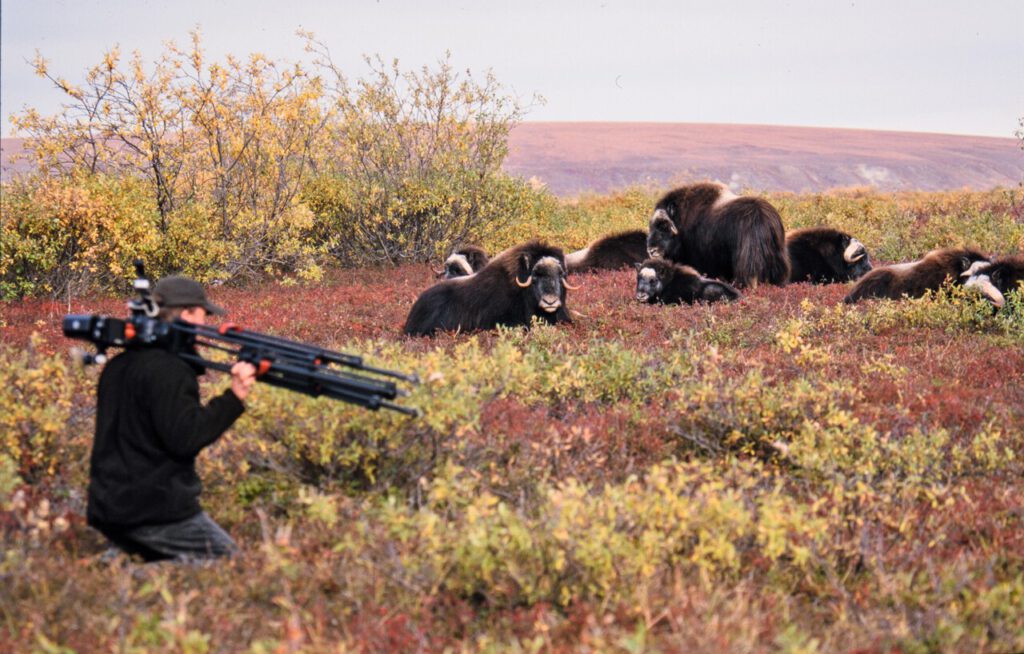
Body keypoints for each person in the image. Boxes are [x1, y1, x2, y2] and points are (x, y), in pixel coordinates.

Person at [86, 275, 258, 563]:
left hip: (108, 506)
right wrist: (235, 396)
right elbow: (186, 438)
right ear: (188, 312)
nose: (204, 324)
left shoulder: (118, 364)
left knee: (149, 555)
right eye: (202, 315)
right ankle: (125, 569)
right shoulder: (170, 370)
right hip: (155, 511)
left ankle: (123, 559)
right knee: (231, 564)